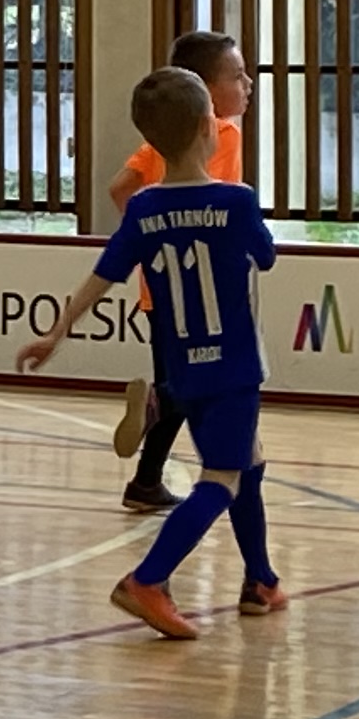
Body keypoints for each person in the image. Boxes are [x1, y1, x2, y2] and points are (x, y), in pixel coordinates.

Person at [21, 65, 281, 640]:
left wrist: (57, 332)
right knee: (222, 478)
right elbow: (265, 257)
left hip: (182, 368)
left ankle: (261, 580)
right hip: (234, 366)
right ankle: (148, 579)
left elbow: (103, 276)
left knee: (249, 460)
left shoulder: (143, 209)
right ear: (208, 128)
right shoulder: (237, 201)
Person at [101, 28, 251, 515]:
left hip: (159, 286)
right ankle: (158, 408)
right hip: (200, 290)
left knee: (182, 377)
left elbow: (120, 188)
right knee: (199, 383)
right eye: (237, 75)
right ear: (204, 89)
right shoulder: (222, 134)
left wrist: (149, 238)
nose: (248, 83)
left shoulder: (160, 143)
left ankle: (146, 482)